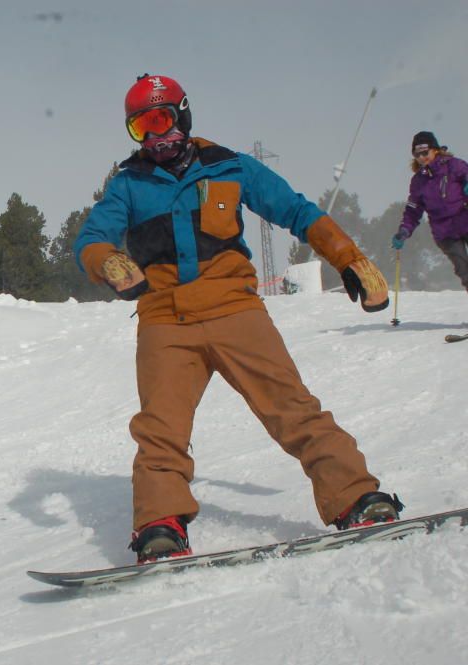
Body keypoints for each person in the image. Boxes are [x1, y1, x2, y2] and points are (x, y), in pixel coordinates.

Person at [74, 74, 402, 563]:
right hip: (166, 320)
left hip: (235, 309)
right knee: (160, 429)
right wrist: (107, 261)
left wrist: (347, 257)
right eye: (141, 128)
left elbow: (294, 210)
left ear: (182, 115)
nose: (155, 137)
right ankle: (160, 524)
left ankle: (355, 496)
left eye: (161, 120)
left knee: (292, 407)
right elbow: (92, 237)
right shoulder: (128, 184)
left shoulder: (228, 166)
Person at [391, 131, 468, 294]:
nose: (421, 157)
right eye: (417, 154)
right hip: (445, 233)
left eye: (424, 152)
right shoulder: (418, 181)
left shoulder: (453, 165)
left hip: (465, 219)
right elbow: (413, 210)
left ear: (435, 150)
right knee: (464, 270)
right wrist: (404, 230)